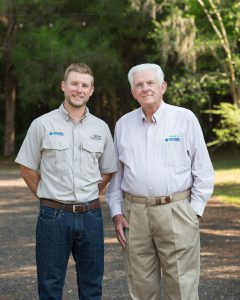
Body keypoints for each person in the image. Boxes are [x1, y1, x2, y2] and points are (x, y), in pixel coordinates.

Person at [106, 63, 214, 300]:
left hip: (176, 211)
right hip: (134, 215)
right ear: (133, 92)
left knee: (182, 286)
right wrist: (116, 212)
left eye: (150, 83)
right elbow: (117, 176)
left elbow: (204, 171)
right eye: (139, 85)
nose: (145, 88)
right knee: (141, 286)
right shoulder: (123, 124)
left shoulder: (184, 119)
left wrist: (193, 211)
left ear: (163, 86)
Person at [15, 63, 117, 300]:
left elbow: (108, 171)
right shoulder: (42, 124)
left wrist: (88, 192)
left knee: (92, 284)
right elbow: (27, 168)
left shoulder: (100, 128)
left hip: (91, 216)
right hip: (52, 217)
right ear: (63, 86)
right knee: (50, 285)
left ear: (91, 90)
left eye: (84, 85)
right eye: (74, 83)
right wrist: (47, 195)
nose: (78, 89)